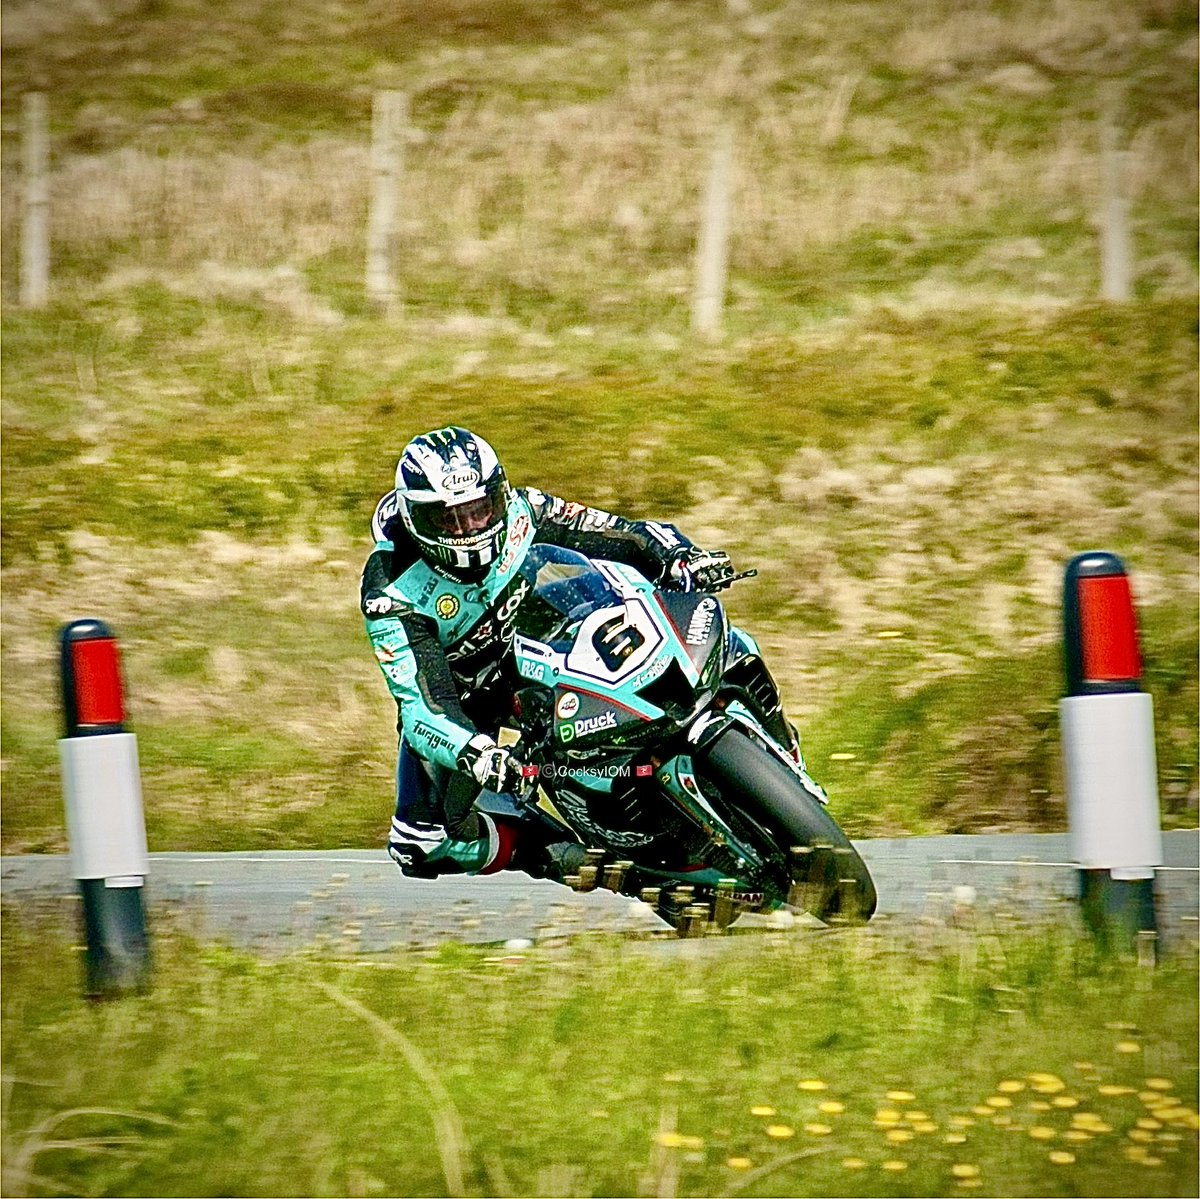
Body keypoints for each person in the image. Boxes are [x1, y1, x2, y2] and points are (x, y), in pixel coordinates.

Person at [360, 425, 735, 882]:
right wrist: (476, 752)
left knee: (700, 620)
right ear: (416, 519)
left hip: (550, 635)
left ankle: (774, 741)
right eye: (449, 520)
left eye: (480, 510)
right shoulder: (390, 588)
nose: (471, 529)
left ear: (499, 494)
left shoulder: (522, 511)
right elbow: (422, 705)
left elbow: (617, 532)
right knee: (421, 842)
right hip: (468, 695)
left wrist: (678, 555)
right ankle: (570, 857)